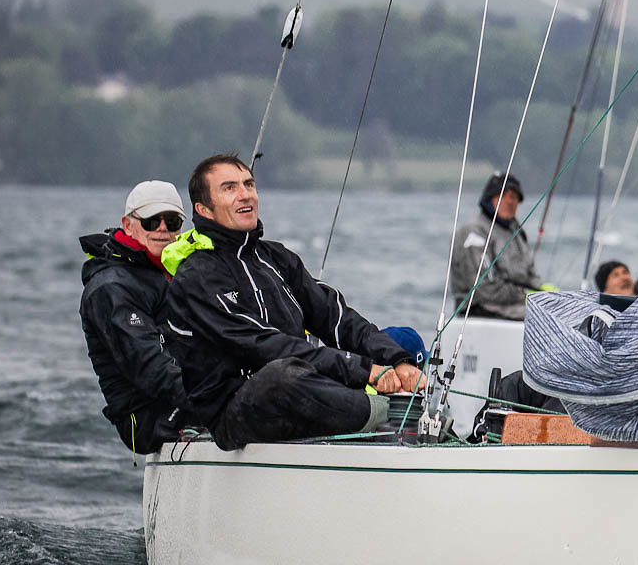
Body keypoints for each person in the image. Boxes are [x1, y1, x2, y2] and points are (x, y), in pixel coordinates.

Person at [163, 154, 420, 450]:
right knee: (281, 376)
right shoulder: (196, 277)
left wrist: (397, 361)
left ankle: (402, 417)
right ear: (204, 209)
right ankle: (388, 419)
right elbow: (263, 346)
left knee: (404, 343)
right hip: (234, 411)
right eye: (229, 188)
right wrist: (365, 370)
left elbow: (336, 317)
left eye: (249, 184)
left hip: (300, 384)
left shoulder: (277, 258)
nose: (245, 194)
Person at [79, 180, 198, 453]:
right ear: (128, 224)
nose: (162, 229)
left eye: (172, 221)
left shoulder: (176, 273)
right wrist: (215, 397)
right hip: (148, 421)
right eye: (151, 221)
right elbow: (150, 367)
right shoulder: (111, 287)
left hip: (187, 398)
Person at [448, 171, 544, 320]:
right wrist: (525, 296)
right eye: (503, 196)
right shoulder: (474, 233)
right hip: (481, 309)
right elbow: (483, 288)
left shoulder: (517, 233)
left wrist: (545, 292)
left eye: (514, 197)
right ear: (489, 199)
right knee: (549, 320)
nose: (510, 202)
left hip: (517, 305)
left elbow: (530, 275)